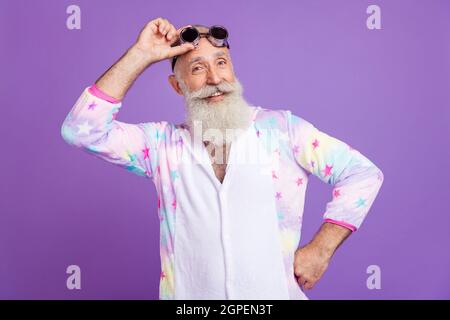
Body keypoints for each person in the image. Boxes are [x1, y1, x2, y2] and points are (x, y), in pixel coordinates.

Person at [60, 17, 384, 300]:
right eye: (197, 68)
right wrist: (140, 55)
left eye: (221, 62)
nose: (215, 79)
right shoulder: (161, 145)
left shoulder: (282, 130)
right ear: (177, 86)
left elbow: (361, 173)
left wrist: (321, 249)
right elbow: (81, 131)